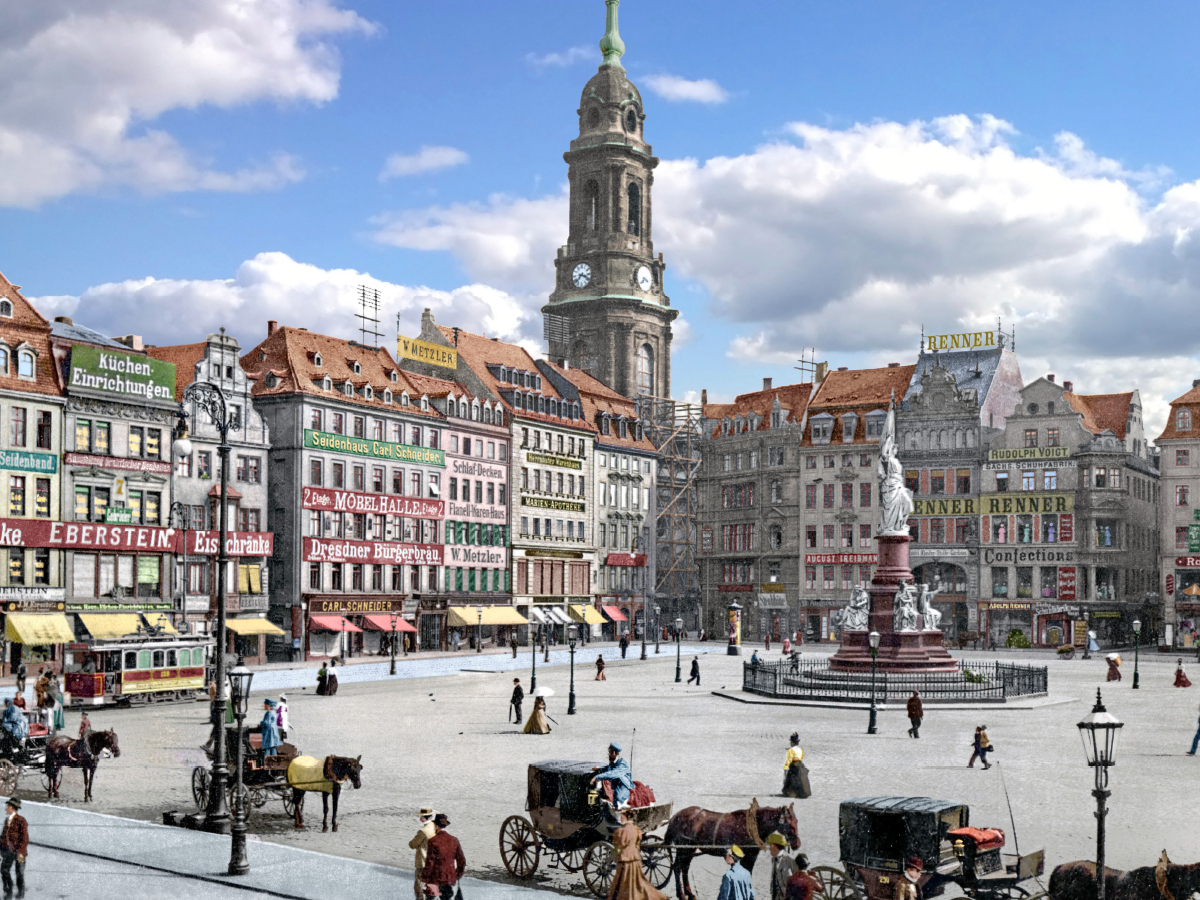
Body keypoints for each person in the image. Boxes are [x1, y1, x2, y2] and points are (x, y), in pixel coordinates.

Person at [608, 808, 669, 900]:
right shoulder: (637, 830)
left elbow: (617, 846)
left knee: (622, 880)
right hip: (635, 857)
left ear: (624, 817)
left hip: (625, 858)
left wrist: (616, 856)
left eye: (622, 816)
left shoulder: (620, 831)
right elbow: (637, 843)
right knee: (639, 879)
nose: (621, 818)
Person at [420, 813, 465, 900]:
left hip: (436, 879)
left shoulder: (433, 841)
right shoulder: (454, 840)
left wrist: (425, 879)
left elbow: (430, 862)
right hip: (450, 879)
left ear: (436, 826)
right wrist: (456, 875)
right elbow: (461, 860)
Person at [592, 742, 633, 807]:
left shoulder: (622, 764)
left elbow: (612, 773)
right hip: (616, 786)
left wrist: (597, 777)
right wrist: (600, 768)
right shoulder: (614, 761)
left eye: (610, 752)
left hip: (623, 785)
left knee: (619, 800)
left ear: (614, 753)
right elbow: (609, 768)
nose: (608, 754)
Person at [0, 797, 26, 900]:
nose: (6, 808)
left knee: (19, 872)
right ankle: (8, 890)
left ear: (12, 808)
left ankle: (20, 893)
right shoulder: (7, 820)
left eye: (8, 806)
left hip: (20, 852)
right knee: (4, 870)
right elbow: (3, 837)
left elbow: (25, 838)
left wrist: (20, 851)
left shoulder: (21, 820)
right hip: (8, 851)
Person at [409, 807, 437, 899]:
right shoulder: (435, 826)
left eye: (421, 816)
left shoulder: (423, 831)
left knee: (419, 881)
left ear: (424, 817)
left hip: (423, 860)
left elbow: (413, 844)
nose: (420, 818)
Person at [768, 832, 798, 900]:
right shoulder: (773, 859)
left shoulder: (790, 859)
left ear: (774, 846)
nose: (769, 848)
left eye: (770, 845)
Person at [782, 733, 809, 798]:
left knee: (790, 780)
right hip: (800, 765)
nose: (790, 743)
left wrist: (785, 767)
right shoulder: (801, 750)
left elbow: (789, 759)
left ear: (793, 742)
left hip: (793, 766)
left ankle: (790, 793)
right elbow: (801, 758)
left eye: (791, 742)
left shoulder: (790, 750)